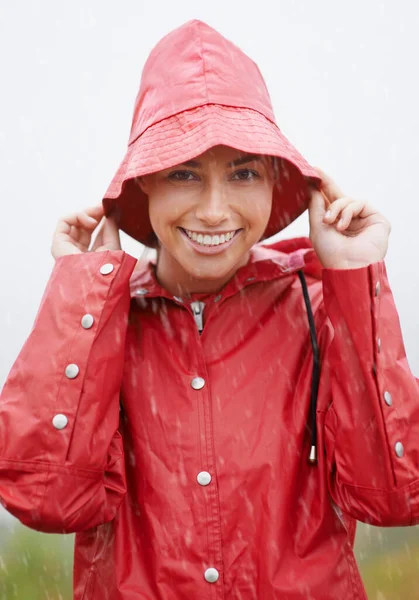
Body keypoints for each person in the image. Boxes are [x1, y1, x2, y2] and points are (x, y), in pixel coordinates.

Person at [0, 19, 418, 600]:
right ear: (144, 186)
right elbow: (45, 501)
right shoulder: (98, 320)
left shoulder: (320, 308)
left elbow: (395, 497)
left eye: (243, 172)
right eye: (184, 173)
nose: (216, 210)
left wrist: (354, 277)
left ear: (276, 179)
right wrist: (80, 292)